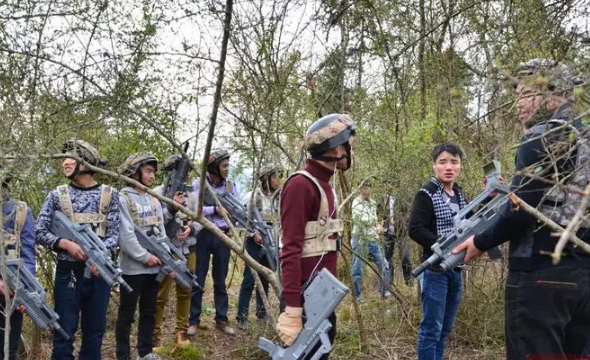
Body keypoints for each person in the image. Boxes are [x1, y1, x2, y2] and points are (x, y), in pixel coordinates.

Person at [455, 59, 590, 359]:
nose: (518, 104)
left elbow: (522, 211)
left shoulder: (539, 137)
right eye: (516, 95)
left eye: (526, 94)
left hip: (540, 276)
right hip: (582, 276)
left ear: (554, 93)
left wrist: (479, 242)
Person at [277, 113, 356, 359]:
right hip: (302, 299)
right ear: (335, 149)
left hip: (321, 298)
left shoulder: (326, 185)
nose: (352, 149)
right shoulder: (300, 185)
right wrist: (292, 309)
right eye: (349, 144)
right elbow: (289, 249)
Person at [36, 139, 120, 360]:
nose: (64, 163)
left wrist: (98, 257)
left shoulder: (110, 195)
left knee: (95, 331)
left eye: (70, 158)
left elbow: (114, 236)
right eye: (64, 158)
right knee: (64, 330)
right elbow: (39, 231)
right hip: (68, 272)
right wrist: (64, 243)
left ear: (86, 161)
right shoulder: (57, 195)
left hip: (98, 272)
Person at [409, 143, 466, 360]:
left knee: (445, 330)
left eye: (454, 162)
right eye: (443, 162)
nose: (448, 167)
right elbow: (415, 229)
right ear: (435, 166)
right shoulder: (427, 193)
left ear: (460, 166)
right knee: (431, 328)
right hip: (434, 271)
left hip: (457, 269)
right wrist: (445, 245)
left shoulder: (459, 194)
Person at [115, 152, 166, 360]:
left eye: (153, 172)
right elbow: (125, 235)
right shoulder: (123, 198)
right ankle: (123, 355)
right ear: (135, 173)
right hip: (133, 268)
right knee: (126, 315)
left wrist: (164, 256)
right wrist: (145, 257)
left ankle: (145, 352)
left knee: (149, 312)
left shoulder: (153, 198)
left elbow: (160, 229)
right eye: (148, 171)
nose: (152, 176)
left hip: (155, 268)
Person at [153, 155, 202, 350]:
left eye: (189, 171)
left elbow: (200, 219)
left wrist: (192, 228)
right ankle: (154, 335)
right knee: (160, 294)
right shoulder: (158, 193)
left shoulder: (192, 195)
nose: (187, 175)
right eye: (184, 170)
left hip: (188, 248)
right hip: (166, 250)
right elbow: (155, 222)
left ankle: (181, 331)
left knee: (186, 290)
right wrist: (171, 208)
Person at [188, 149, 237, 336]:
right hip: (203, 235)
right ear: (214, 168)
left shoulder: (231, 186)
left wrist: (232, 225)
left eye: (228, 165)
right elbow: (195, 207)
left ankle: (222, 319)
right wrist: (216, 209)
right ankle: (193, 320)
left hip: (223, 236)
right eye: (224, 166)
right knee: (198, 279)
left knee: (220, 280)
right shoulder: (198, 184)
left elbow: (236, 209)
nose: (227, 169)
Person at [236, 164, 282, 330]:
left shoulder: (278, 198)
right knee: (250, 278)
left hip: (271, 242)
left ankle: (262, 314)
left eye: (279, 176)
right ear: (266, 179)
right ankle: (241, 316)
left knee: (266, 278)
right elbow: (241, 218)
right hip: (253, 242)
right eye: (275, 176)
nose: (278, 180)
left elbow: (280, 223)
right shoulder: (253, 196)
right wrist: (253, 233)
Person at [0, 165, 36, 360]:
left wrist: (23, 289)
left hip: (12, 292)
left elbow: (29, 254)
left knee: (9, 350)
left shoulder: (21, 211)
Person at [350, 180, 391, 303]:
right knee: (357, 269)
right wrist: (376, 225)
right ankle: (357, 297)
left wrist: (378, 226)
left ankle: (384, 293)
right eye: (363, 188)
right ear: (360, 189)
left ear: (370, 189)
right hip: (360, 238)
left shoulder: (373, 203)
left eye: (367, 187)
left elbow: (374, 218)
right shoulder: (356, 202)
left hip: (373, 238)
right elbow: (360, 220)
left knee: (385, 266)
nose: (365, 190)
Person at [382, 195, 413, 285]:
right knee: (387, 259)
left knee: (406, 256)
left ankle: (409, 282)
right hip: (387, 233)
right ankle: (389, 283)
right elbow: (379, 213)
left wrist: (401, 222)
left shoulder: (403, 195)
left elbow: (410, 213)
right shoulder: (383, 198)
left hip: (402, 232)